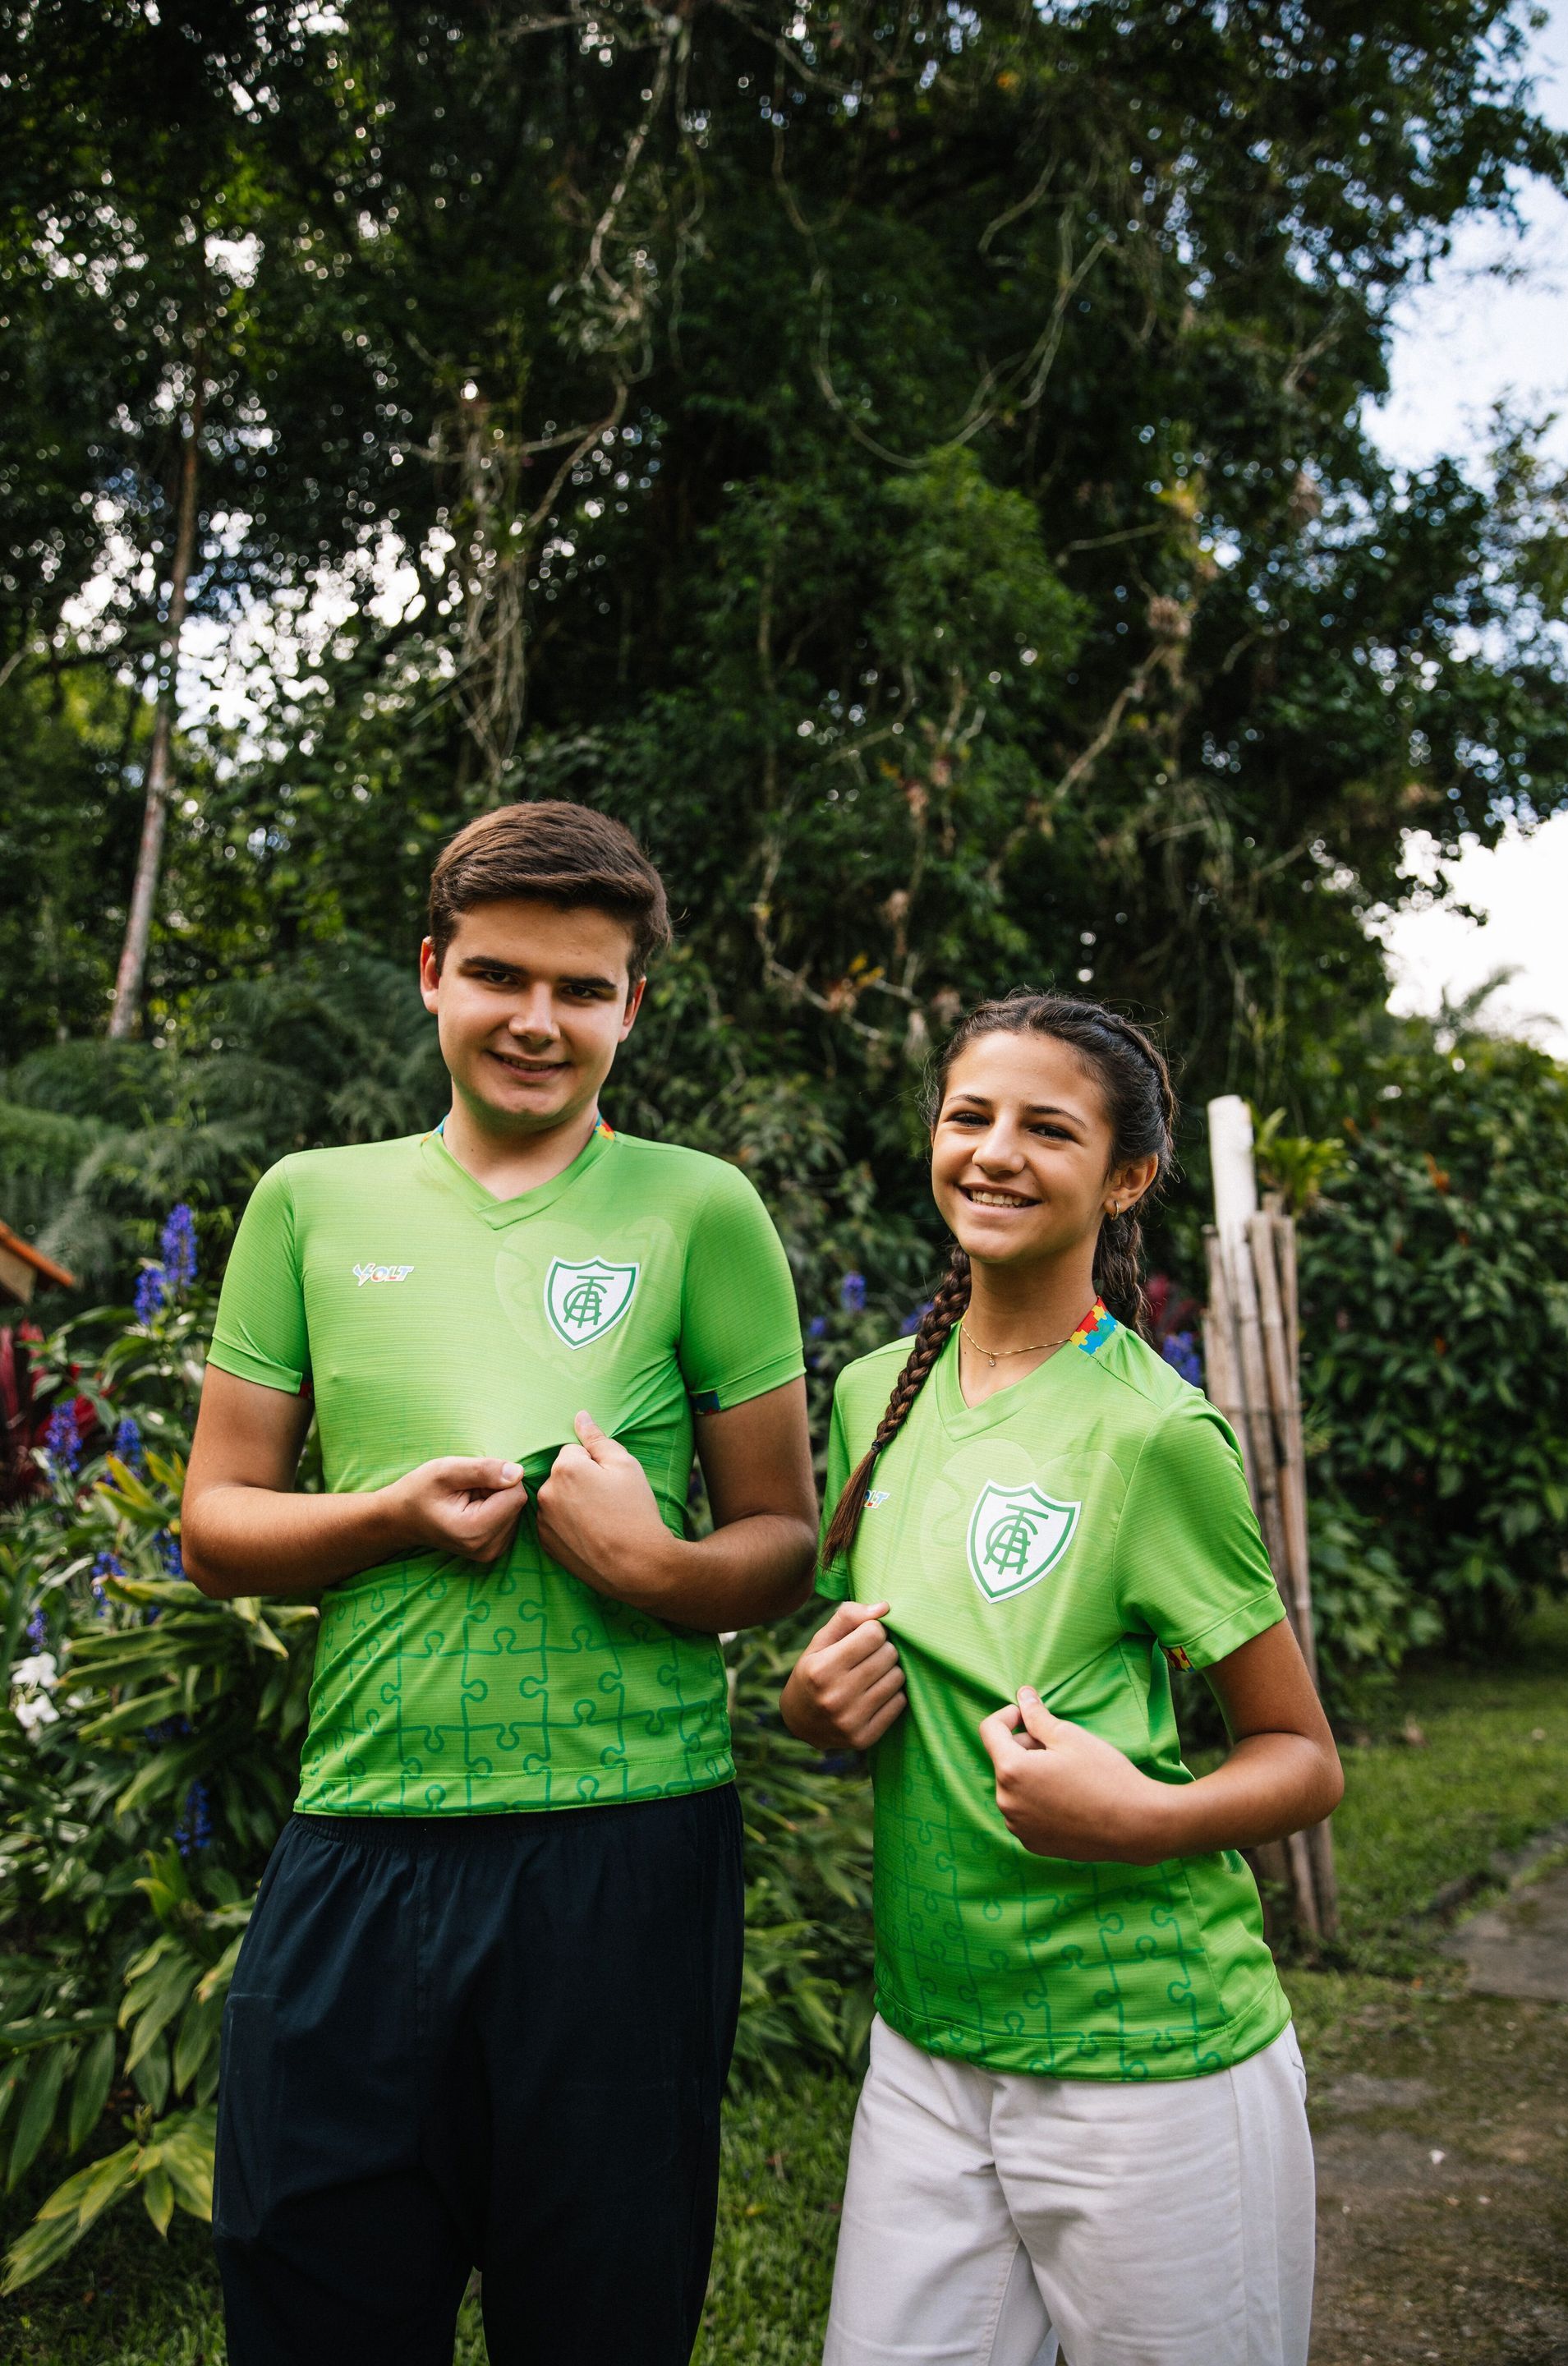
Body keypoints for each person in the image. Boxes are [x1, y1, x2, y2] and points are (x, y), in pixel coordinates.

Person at [183, 800, 817, 2366]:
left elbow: (781, 1539)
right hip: (368, 1827)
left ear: (631, 1007)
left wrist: (658, 1567)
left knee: (598, 2310)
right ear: (432, 975)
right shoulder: (312, 1202)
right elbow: (214, 1522)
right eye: (500, 976)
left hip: (628, 1846)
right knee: (310, 2285)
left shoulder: (699, 1209)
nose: (539, 1021)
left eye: (583, 989)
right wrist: (388, 1517)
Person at [782, 992, 1344, 2366]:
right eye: (969, 1116)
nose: (995, 1152)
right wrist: (814, 1710)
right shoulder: (872, 1394)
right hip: (925, 2042)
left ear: (1128, 1176)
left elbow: (1303, 1758)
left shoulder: (1158, 1435)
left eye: (1048, 1128)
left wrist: (1138, 1815)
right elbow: (881, 1663)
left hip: (1149, 2055)